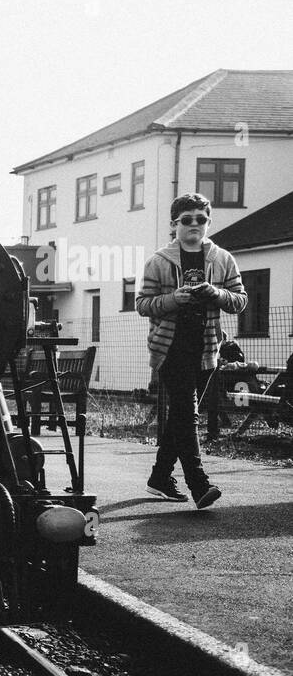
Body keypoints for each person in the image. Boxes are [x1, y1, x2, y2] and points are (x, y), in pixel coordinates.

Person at [136, 193, 247, 508]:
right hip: (170, 348)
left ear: (208, 222)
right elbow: (142, 304)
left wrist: (216, 293)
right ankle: (200, 485)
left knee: (180, 418)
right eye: (187, 220)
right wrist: (174, 299)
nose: (194, 225)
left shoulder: (222, 258)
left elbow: (240, 300)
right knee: (188, 414)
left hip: (206, 348)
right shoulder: (159, 260)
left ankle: (159, 477)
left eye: (201, 219)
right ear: (174, 224)